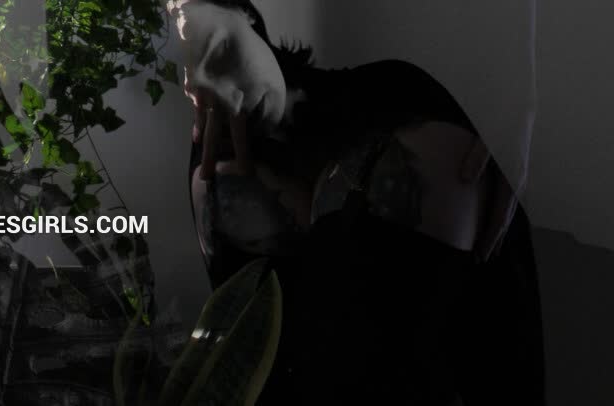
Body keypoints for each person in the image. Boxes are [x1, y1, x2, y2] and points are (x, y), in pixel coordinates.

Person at [168, 0, 545, 404]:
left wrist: (519, 95)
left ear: (250, 19)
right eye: (198, 82)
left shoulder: (398, 99)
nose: (230, 95)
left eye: (223, 50)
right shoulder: (217, 168)